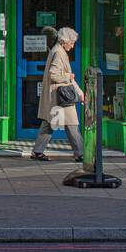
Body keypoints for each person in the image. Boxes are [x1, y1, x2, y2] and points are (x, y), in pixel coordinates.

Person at [32, 26, 84, 162]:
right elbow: (54, 74)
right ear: (65, 41)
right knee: (71, 123)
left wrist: (79, 92)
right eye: (71, 43)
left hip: (56, 96)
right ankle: (80, 153)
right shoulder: (59, 53)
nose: (72, 46)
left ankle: (38, 151)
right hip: (61, 96)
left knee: (49, 123)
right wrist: (68, 76)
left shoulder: (56, 50)